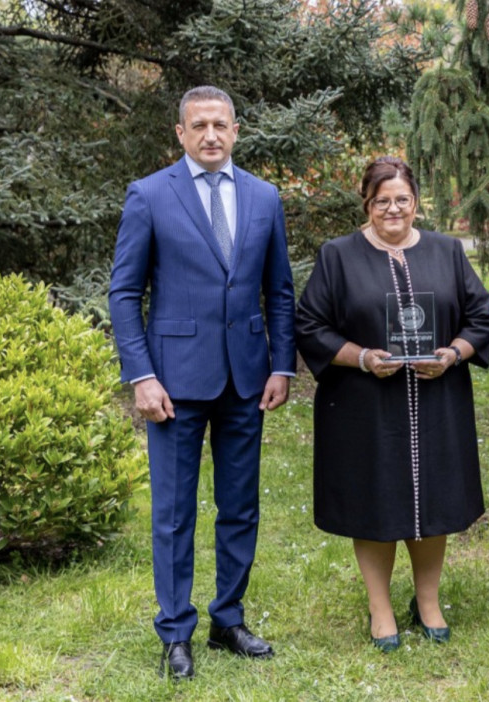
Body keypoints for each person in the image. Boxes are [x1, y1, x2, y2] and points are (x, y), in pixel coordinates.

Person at [109, 86, 295, 679]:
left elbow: (280, 292)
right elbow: (123, 293)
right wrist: (141, 376)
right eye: (199, 125)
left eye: (221, 124)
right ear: (181, 133)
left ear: (236, 131)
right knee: (173, 512)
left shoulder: (264, 198)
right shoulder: (149, 195)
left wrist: (281, 364)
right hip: (173, 383)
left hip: (246, 378)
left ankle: (228, 619)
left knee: (240, 507)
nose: (211, 135)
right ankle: (176, 632)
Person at [294, 157, 489, 653]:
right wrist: (361, 357)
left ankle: (428, 601)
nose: (393, 209)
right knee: (375, 500)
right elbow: (311, 326)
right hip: (365, 404)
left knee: (434, 496)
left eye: (402, 199)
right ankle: (380, 607)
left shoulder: (447, 251)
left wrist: (451, 355)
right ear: (367, 203)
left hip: (437, 398)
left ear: (416, 201)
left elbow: (482, 316)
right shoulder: (338, 256)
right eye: (382, 200)